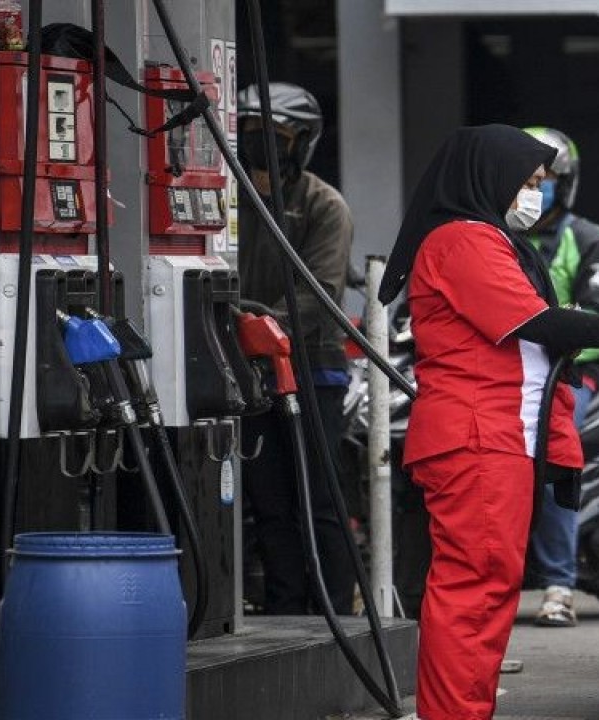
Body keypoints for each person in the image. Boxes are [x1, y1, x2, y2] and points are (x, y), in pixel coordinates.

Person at [378, 124, 599, 720]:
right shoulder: (464, 240)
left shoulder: (484, 238)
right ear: (493, 178)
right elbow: (536, 321)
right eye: (529, 182)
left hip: (495, 434)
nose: (535, 194)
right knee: (475, 588)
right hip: (478, 435)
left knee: (490, 585)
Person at [235, 82, 358, 615]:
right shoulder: (227, 196)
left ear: (301, 143)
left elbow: (319, 297)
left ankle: (334, 611)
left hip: (312, 371)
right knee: (269, 501)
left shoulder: (323, 205)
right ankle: (285, 610)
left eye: (276, 135)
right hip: (241, 371)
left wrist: (253, 326)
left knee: (321, 498)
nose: (263, 143)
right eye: (254, 131)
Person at [520, 125, 599, 628]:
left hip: (570, 377)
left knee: (555, 461)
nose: (534, 189)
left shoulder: (587, 240)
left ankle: (559, 583)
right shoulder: (495, 238)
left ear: (563, 183)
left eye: (544, 179)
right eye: (524, 179)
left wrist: (551, 340)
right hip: (508, 375)